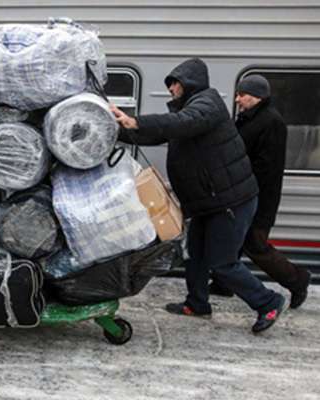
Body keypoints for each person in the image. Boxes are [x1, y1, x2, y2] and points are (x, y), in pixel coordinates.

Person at [111, 58, 286, 334]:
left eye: (174, 84)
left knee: (223, 263)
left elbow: (180, 123)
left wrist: (136, 121)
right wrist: (118, 129)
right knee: (195, 255)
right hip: (208, 202)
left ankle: (268, 302)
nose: (170, 89)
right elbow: (160, 133)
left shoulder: (207, 104)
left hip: (230, 201)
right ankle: (197, 303)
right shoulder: (188, 114)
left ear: (189, 81)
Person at [209, 75, 311, 308]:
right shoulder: (250, 119)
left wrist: (245, 193)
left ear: (256, 96)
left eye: (242, 95)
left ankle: (297, 280)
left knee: (255, 244)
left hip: (258, 197)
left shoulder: (271, 122)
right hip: (244, 194)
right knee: (233, 239)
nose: (237, 100)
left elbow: (267, 169)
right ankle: (223, 284)